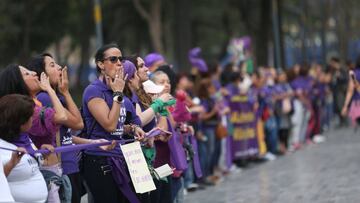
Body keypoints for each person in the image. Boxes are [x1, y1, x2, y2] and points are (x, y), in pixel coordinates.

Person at [81, 44, 144, 203]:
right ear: (101, 64)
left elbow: (118, 125)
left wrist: (133, 128)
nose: (119, 63)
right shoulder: (94, 90)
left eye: (121, 59)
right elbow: (109, 125)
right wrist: (117, 93)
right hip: (101, 160)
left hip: (122, 157)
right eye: (113, 59)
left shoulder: (119, 91)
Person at [27, 53, 85, 203]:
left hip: (69, 165)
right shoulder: (45, 97)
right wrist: (65, 92)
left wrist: (90, 142)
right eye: (52, 65)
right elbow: (78, 123)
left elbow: (67, 131)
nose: (59, 67)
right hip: (61, 168)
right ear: (42, 74)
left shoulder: (54, 97)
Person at [0, 94, 48, 203]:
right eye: (30, 116)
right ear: (20, 122)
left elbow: (33, 165)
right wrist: (11, 164)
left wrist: (42, 152)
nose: (33, 119)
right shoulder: (2, 146)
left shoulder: (24, 138)